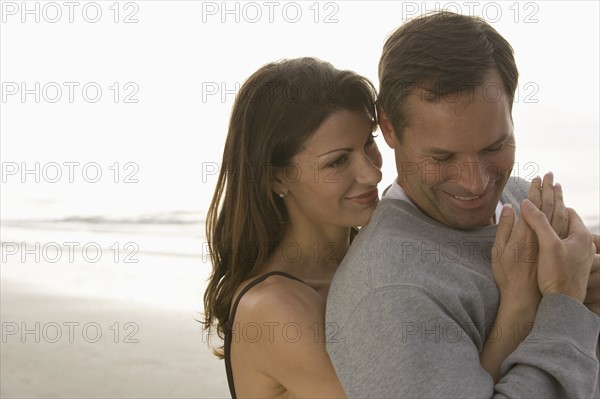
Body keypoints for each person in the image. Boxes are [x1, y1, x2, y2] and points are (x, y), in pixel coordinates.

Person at [202, 57, 575, 398]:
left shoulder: (372, 257)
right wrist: (520, 301)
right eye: (337, 163)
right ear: (276, 178)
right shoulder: (275, 308)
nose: (371, 173)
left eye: (369, 145)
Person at [325, 11, 599, 398]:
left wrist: (590, 304)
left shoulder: (526, 201)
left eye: (494, 147)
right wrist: (564, 303)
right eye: (442, 158)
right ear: (389, 129)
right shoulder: (387, 292)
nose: (476, 183)